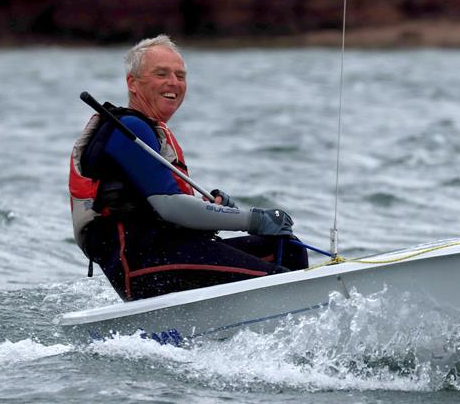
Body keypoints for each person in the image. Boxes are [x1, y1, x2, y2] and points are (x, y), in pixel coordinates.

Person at [69, 34, 308, 301]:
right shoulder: (130, 130)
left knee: (287, 248)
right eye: (161, 74)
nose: (173, 83)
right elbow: (171, 207)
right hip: (143, 262)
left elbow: (166, 211)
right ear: (132, 83)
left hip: (174, 250)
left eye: (180, 76)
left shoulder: (149, 130)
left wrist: (216, 210)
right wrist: (253, 219)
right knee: (279, 283)